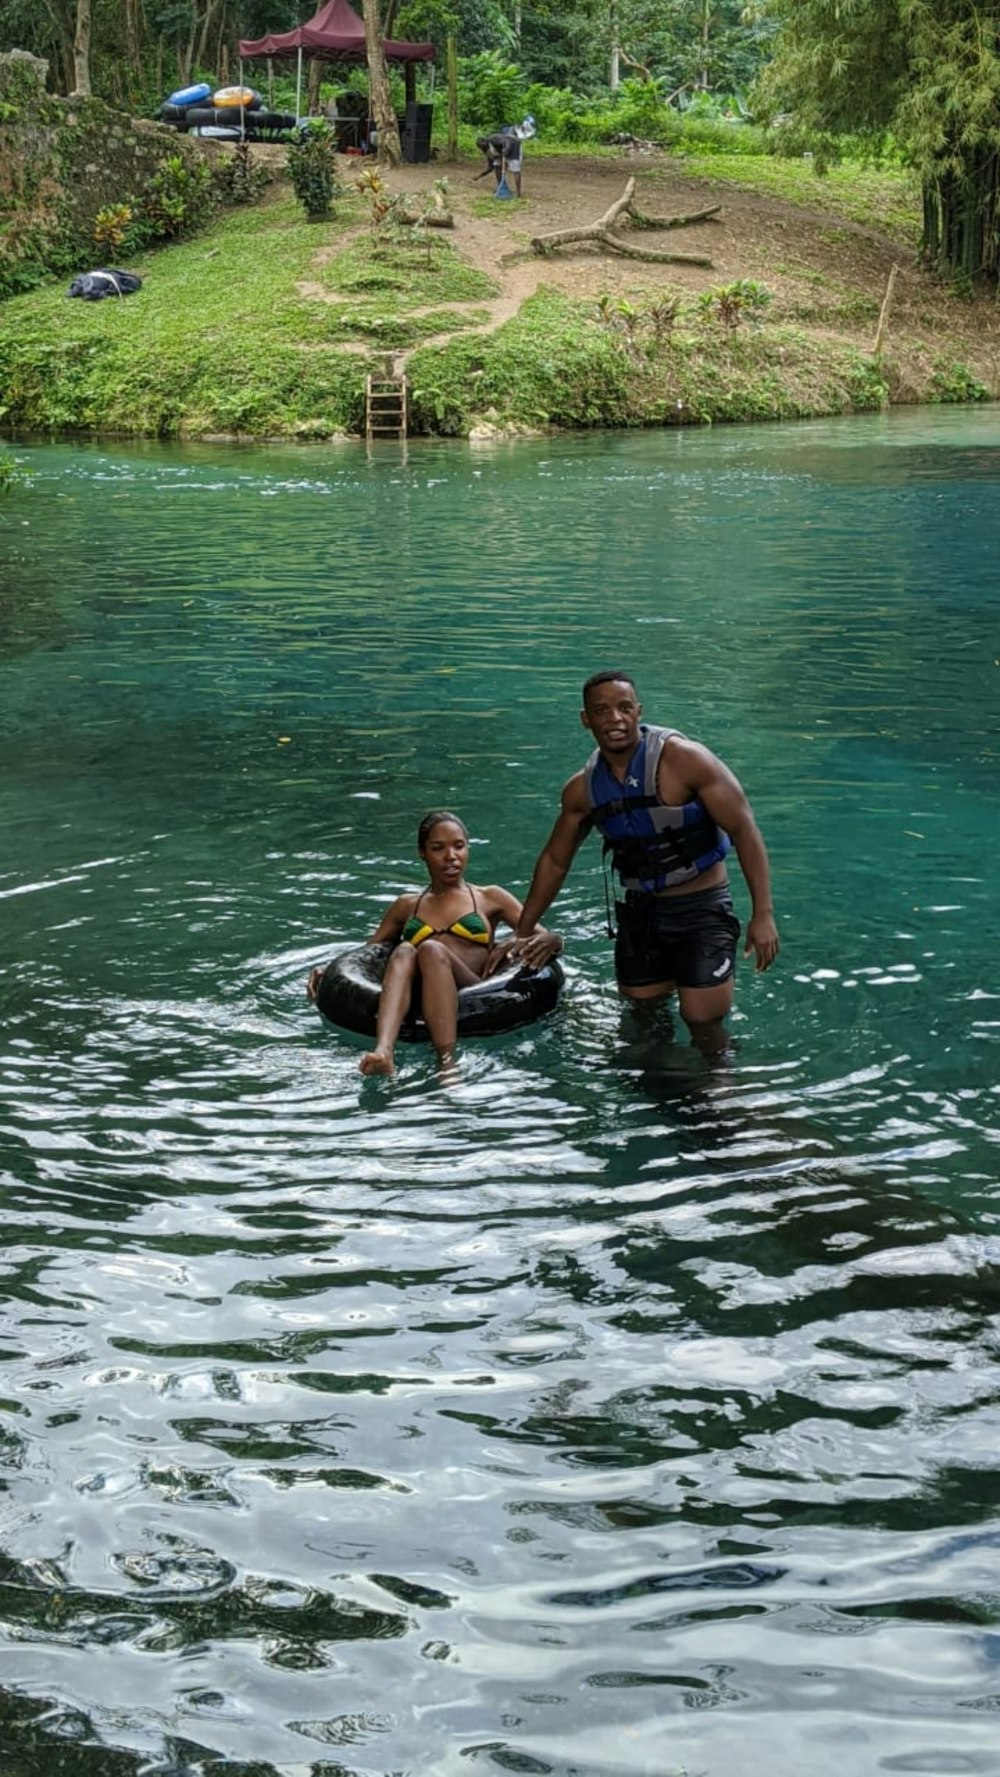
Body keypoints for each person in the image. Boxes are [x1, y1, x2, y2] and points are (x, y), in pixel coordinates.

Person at [497, 672, 778, 1054]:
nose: (615, 718)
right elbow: (555, 860)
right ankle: (662, 1096)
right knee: (642, 1023)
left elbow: (744, 828)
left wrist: (763, 914)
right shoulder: (583, 790)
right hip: (640, 916)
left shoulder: (686, 760)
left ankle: (721, 1102)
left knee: (703, 1025)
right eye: (602, 710)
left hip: (701, 910)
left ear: (638, 711)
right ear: (586, 719)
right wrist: (523, 929)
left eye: (624, 708)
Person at [308, 811, 562, 1077]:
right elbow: (367, 956)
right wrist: (330, 975)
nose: (450, 856)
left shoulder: (490, 897)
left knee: (429, 948)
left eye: (458, 846)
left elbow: (542, 937)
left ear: (467, 849)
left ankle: (447, 1063)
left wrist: (546, 939)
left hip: (469, 985)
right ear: (422, 853)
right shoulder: (406, 905)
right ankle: (384, 1051)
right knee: (405, 949)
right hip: (418, 986)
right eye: (438, 848)